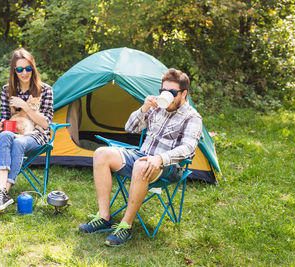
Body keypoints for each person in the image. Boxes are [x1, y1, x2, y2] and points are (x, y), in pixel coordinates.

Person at [78, 68, 203, 246]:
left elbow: (189, 149)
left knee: (141, 166)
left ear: (184, 94)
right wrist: (144, 108)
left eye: (172, 93)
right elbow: (130, 128)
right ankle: (104, 217)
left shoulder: (192, 117)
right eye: (163, 91)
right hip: (141, 156)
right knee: (101, 154)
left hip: (168, 166)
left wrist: (160, 159)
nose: (166, 95)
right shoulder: (157, 108)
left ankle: (125, 226)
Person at [0, 48, 53, 217]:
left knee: (18, 142)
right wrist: (1, 125)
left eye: (27, 68)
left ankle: (0, 196)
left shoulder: (45, 90)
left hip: (37, 136)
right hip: (14, 131)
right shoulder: (7, 90)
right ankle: (1, 193)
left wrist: (25, 105)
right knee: (4, 135)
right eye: (19, 69)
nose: (24, 72)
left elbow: (46, 123)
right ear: (14, 71)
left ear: (33, 68)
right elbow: (5, 118)